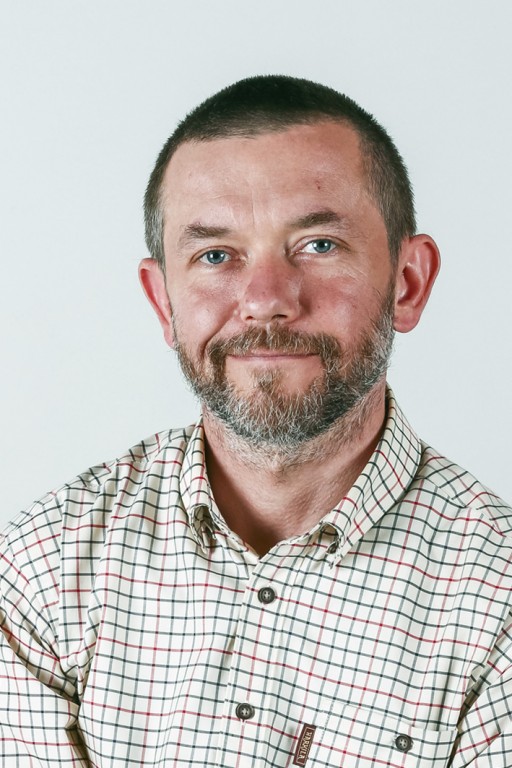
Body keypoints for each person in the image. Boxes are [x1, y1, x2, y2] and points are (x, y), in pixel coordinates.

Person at [1, 75, 512, 768]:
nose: (266, 300)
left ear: (408, 282)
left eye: (319, 245)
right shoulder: (46, 567)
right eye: (216, 255)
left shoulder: (498, 607)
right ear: (164, 302)